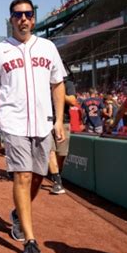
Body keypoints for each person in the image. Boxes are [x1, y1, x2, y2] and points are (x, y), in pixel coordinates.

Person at [0, 0, 66, 253]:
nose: (23, 18)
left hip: (43, 122)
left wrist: (58, 119)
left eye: (28, 14)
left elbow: (58, 84)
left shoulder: (48, 47)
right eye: (18, 14)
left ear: (33, 18)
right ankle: (30, 241)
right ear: (11, 19)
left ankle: (19, 213)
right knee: (23, 177)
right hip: (13, 122)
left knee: (40, 176)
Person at [48, 63, 78, 195]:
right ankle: (57, 180)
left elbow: (72, 101)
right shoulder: (42, 82)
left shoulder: (68, 84)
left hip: (63, 121)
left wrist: (57, 91)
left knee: (62, 153)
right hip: (46, 121)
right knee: (50, 151)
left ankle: (57, 173)